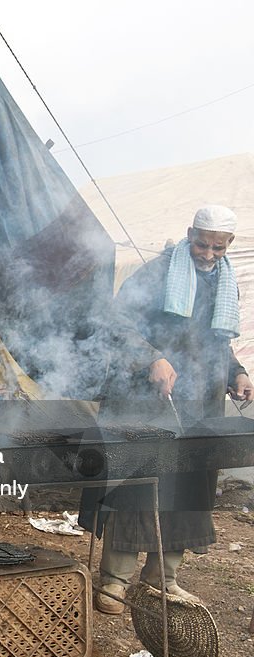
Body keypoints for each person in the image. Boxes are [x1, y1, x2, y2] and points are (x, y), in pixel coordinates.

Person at [85, 205, 254, 614]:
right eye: (202, 244)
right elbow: (116, 325)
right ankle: (115, 581)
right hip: (146, 402)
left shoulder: (226, 284)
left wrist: (237, 373)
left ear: (229, 245)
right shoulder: (156, 274)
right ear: (189, 233)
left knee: (190, 489)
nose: (208, 254)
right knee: (139, 487)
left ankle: (164, 577)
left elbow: (218, 342)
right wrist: (151, 358)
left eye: (217, 247)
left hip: (200, 406)